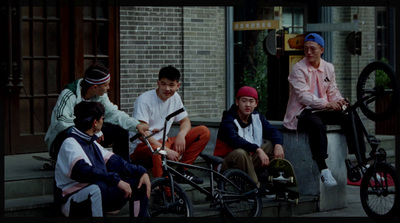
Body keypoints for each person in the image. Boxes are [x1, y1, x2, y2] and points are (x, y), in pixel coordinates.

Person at [55, 101, 151, 222]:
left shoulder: (93, 143)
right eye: (102, 119)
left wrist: (141, 172)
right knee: (98, 188)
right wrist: (116, 180)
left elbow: (116, 162)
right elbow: (84, 172)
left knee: (138, 183)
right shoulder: (70, 143)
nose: (103, 121)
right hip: (72, 200)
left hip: (98, 194)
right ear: (95, 122)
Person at [283, 33, 350, 187]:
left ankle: (361, 161)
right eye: (306, 49)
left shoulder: (329, 67)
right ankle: (323, 169)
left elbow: (333, 91)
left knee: (349, 114)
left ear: (322, 50)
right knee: (316, 123)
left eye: (312, 49)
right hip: (301, 113)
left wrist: (339, 102)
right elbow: (303, 97)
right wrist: (326, 104)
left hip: (323, 109)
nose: (309, 52)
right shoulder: (298, 69)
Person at [45, 63, 148, 161]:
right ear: (95, 87)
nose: (108, 88)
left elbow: (113, 113)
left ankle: (123, 168)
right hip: (63, 140)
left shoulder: (100, 95)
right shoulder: (69, 94)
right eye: (106, 85)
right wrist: (91, 132)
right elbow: (61, 122)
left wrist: (136, 125)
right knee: (69, 131)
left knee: (120, 129)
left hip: (91, 136)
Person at [130, 65, 211, 184]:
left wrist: (181, 135)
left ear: (178, 85)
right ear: (158, 83)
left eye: (171, 85)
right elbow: (142, 134)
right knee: (157, 151)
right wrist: (165, 150)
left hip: (164, 142)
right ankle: (166, 193)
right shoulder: (144, 100)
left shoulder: (175, 97)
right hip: (143, 147)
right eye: (163, 84)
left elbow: (185, 121)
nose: (167, 88)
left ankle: (182, 170)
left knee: (203, 131)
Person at [214, 86, 284, 188]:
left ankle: (274, 184)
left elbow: (273, 131)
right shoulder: (228, 119)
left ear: (256, 103)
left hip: (250, 161)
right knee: (241, 152)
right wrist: (258, 150)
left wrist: (278, 144)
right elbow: (235, 140)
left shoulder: (257, 117)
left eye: (251, 101)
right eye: (244, 101)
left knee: (273, 146)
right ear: (237, 102)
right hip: (227, 164)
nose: (247, 105)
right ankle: (253, 188)